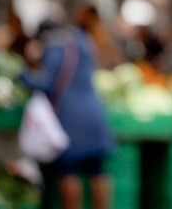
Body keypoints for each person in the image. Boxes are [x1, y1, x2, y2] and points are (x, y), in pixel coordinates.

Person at [20, 14, 115, 209]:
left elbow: (46, 85)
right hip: (94, 111)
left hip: (71, 117)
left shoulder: (55, 48)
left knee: (68, 169)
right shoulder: (82, 41)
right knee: (97, 168)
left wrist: (22, 74)